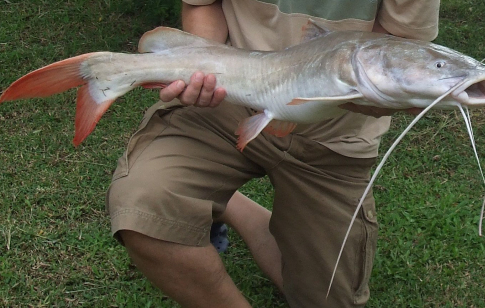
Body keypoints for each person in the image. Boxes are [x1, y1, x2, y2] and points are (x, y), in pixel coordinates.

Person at [106, 0, 440, 307]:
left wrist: (378, 89)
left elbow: (401, 51)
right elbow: (203, 3)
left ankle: (236, 208)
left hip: (334, 136)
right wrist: (201, 71)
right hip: (229, 101)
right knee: (142, 203)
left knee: (327, 300)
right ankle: (203, 195)